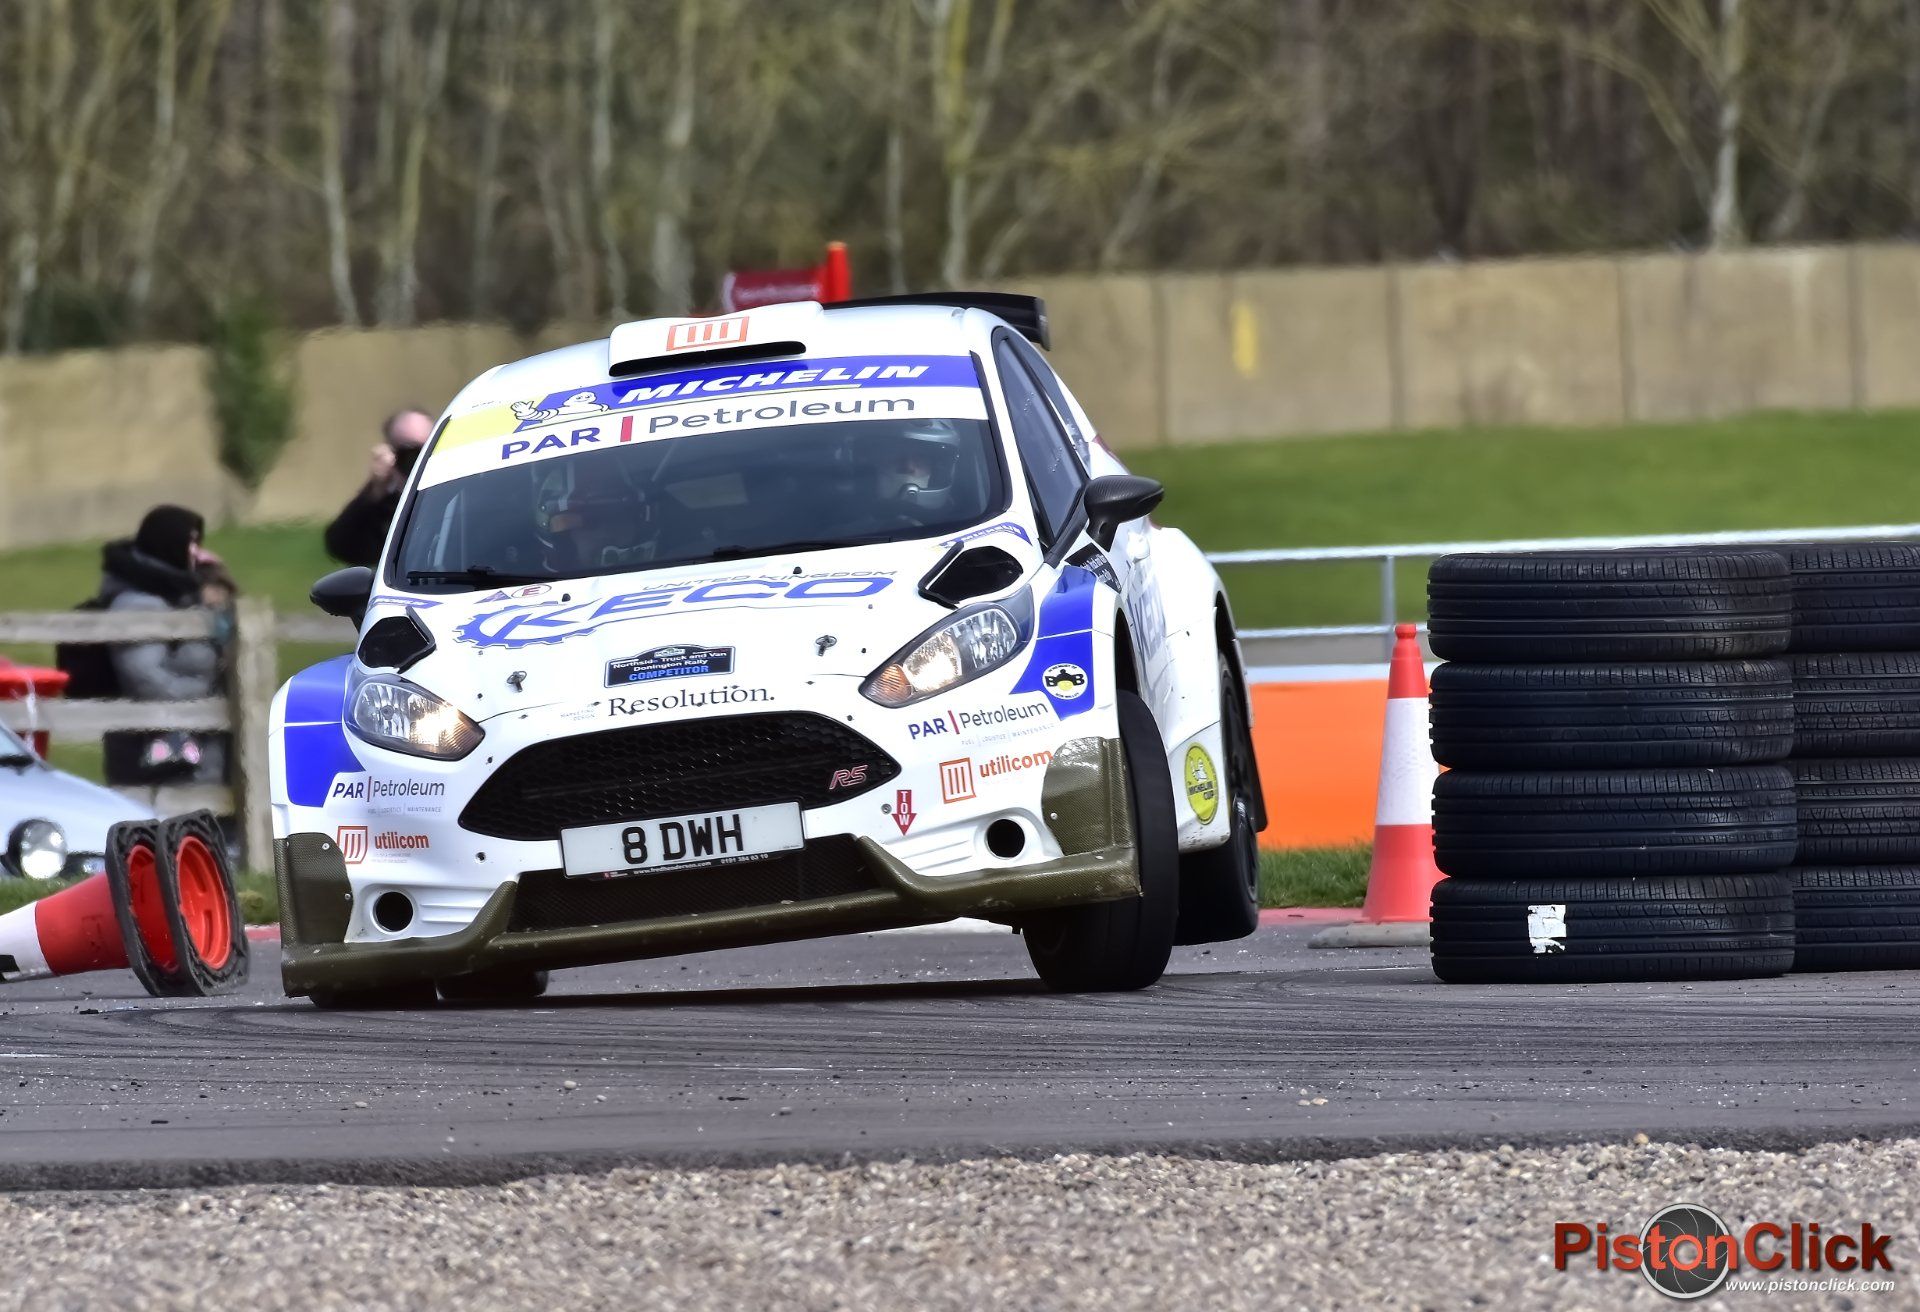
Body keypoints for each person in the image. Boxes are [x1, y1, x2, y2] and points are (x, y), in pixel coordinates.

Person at [95, 506, 232, 786]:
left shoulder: (177, 595)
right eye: (190, 542)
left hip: (197, 756)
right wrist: (211, 692)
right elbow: (149, 683)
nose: (196, 552)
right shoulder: (137, 605)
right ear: (168, 544)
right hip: (154, 764)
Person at [324, 407, 434, 567]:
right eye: (408, 453)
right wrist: (374, 492)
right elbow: (340, 546)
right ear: (390, 455)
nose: (417, 461)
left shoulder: (457, 497)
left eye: (426, 451)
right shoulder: (381, 509)